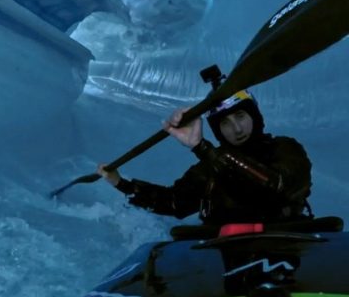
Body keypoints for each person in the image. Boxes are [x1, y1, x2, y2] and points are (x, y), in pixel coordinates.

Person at [97, 90, 313, 225]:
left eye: (240, 116)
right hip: (225, 253)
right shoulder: (208, 166)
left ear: (254, 116)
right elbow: (174, 203)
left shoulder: (285, 149)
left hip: (286, 243)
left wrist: (202, 148)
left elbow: (275, 186)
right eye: (225, 123)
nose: (236, 128)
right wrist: (122, 184)